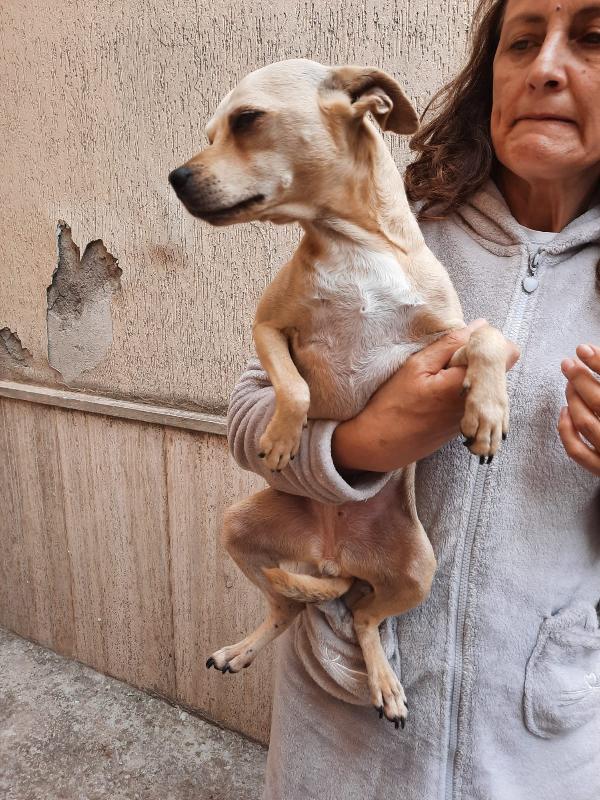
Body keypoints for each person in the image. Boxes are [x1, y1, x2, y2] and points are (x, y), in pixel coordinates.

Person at [226, 0, 600, 797]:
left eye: (594, 39)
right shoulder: (388, 225)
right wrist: (361, 444)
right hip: (342, 729)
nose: (545, 67)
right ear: (489, 74)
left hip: (537, 748)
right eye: (522, 40)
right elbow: (246, 417)